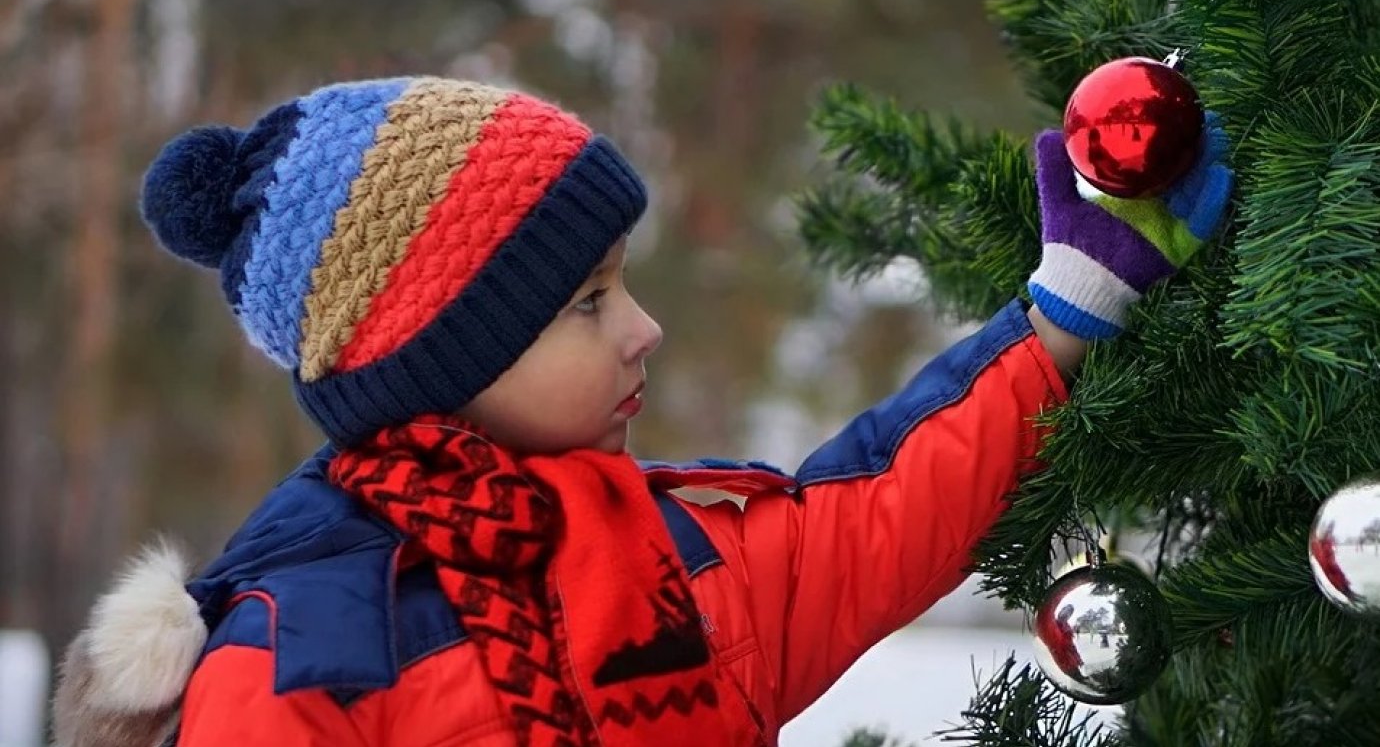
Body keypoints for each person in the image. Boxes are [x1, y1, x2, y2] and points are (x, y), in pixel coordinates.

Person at [50, 77, 1232, 747]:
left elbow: (874, 513)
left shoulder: (663, 556)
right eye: (587, 301)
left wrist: (1069, 306)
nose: (643, 330)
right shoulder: (300, 666)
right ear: (442, 358)